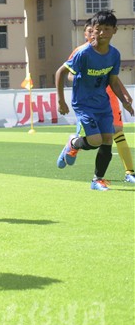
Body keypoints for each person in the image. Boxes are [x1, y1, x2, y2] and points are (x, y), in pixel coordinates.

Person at [55, 10, 134, 191]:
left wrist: (124, 101)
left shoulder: (114, 55)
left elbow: (113, 81)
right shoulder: (83, 53)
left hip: (103, 104)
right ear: (93, 29)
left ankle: (97, 180)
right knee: (95, 140)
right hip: (84, 105)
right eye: (98, 29)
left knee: (108, 139)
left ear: (114, 30)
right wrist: (61, 101)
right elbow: (61, 72)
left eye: (107, 29)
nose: (102, 32)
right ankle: (73, 143)